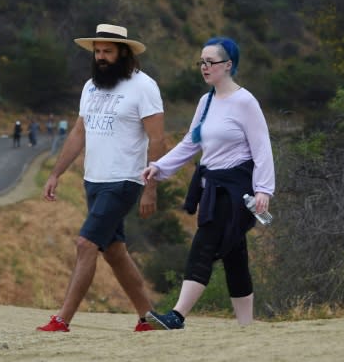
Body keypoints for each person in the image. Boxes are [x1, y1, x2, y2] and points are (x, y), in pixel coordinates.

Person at [36, 23, 166, 333]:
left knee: (85, 244)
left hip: (124, 180)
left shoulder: (144, 86)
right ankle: (148, 318)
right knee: (115, 251)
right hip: (93, 180)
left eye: (107, 51)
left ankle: (62, 319)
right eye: (97, 51)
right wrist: (56, 173)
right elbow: (79, 133)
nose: (101, 57)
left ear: (124, 53)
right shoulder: (90, 87)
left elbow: (158, 141)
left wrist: (151, 189)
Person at [141, 36, 275, 329]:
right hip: (211, 187)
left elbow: (262, 146)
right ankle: (247, 326)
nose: (204, 67)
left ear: (228, 65)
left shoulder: (245, 102)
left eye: (210, 62)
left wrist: (264, 189)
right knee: (234, 255)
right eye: (201, 62)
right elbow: (191, 143)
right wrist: (159, 168)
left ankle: (176, 316)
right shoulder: (206, 101)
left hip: (237, 189)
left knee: (205, 245)